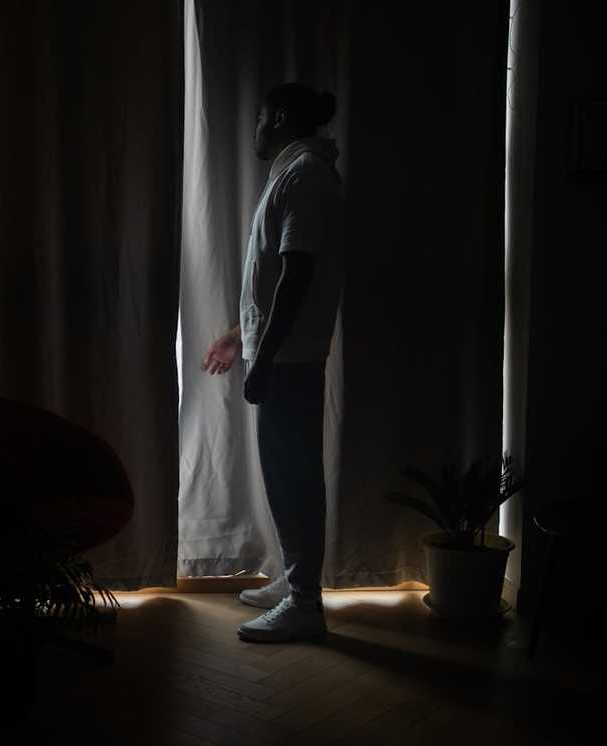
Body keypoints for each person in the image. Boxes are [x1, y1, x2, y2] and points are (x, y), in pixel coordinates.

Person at [200, 83, 344, 643]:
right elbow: (273, 276)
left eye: (260, 117)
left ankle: (305, 603)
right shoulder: (296, 173)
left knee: (295, 477)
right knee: (286, 476)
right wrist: (243, 336)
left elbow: (298, 274)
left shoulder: (305, 175)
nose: (255, 128)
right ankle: (294, 584)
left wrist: (266, 360)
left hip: (290, 360)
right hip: (284, 354)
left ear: (280, 117)